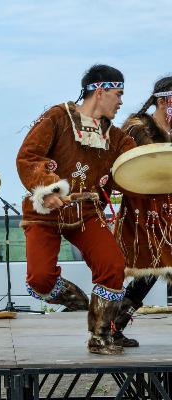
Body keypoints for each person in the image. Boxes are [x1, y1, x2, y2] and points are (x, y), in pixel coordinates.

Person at [16, 64, 136, 355]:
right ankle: (79, 300)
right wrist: (48, 187)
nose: (121, 102)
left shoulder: (116, 137)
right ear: (99, 90)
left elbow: (137, 164)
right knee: (40, 280)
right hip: (45, 212)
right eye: (118, 94)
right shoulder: (57, 117)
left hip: (87, 212)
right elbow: (28, 156)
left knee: (112, 266)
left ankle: (99, 335)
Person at [113, 76, 172, 347]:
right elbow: (125, 168)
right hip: (143, 210)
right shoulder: (137, 128)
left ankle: (111, 327)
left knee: (149, 274)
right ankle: (110, 327)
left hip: (168, 211)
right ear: (163, 101)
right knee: (145, 273)